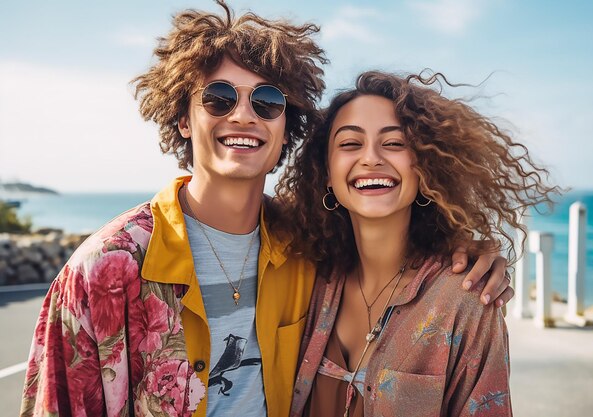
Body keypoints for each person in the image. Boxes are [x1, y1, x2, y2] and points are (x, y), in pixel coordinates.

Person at [20, 3, 513, 417]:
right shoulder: (106, 269)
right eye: (216, 98)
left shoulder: (308, 250)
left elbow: (384, 227)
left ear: (288, 125)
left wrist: (463, 247)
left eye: (268, 101)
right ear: (182, 119)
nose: (242, 115)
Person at [282, 71, 558, 416]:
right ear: (325, 170)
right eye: (350, 144)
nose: (371, 158)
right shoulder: (306, 276)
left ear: (424, 166)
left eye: (395, 143)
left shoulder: (468, 300)